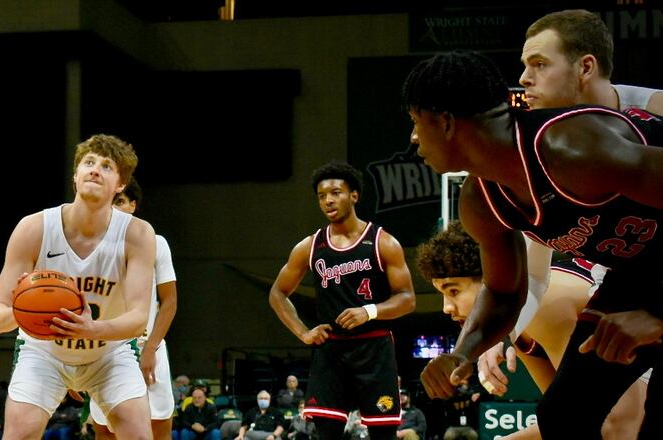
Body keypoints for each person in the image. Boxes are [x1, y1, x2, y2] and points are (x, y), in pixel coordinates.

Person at [404, 50, 663, 439]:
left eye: (414, 122)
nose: (412, 138)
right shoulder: (481, 201)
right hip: (640, 273)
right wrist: (462, 353)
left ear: (444, 123)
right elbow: (504, 294)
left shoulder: (571, 148)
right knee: (562, 416)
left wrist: (659, 315)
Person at [0, 134, 157, 440]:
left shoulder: (137, 235)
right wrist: (29, 312)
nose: (94, 170)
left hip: (108, 353)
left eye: (106, 166)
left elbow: (137, 320)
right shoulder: (34, 228)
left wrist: (93, 330)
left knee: (140, 436)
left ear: (120, 184)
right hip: (45, 352)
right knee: (19, 434)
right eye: (88, 163)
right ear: (75, 177)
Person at [417, 221, 648, 439]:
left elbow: (619, 421)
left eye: (453, 291)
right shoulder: (522, 319)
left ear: (493, 276)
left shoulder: (543, 308)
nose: (446, 308)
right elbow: (564, 421)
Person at [269, 161, 416, 440]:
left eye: (336, 192)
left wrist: (369, 311)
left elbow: (408, 299)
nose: (328, 200)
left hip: (374, 346)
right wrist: (302, 332)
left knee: (383, 434)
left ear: (354, 196)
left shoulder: (382, 242)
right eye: (322, 196)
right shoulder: (310, 246)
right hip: (331, 350)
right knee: (326, 434)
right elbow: (277, 293)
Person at [90, 177, 179, 440]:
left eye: (120, 201)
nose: (114, 208)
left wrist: (151, 348)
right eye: (110, 202)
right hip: (104, 352)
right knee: (106, 430)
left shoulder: (156, 242)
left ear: (133, 205)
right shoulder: (91, 248)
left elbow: (170, 301)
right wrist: (75, 361)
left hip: (146, 348)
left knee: (158, 425)